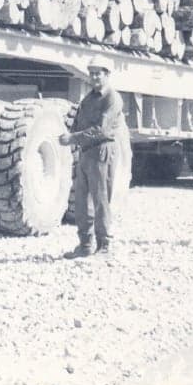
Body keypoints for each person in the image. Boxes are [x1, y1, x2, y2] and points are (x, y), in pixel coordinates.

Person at [59, 56, 127, 258]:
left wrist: (73, 138)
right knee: (81, 201)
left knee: (100, 200)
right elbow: (79, 122)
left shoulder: (112, 98)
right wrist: (70, 134)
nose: (94, 77)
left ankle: (104, 245)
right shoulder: (89, 99)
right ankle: (85, 244)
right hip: (86, 153)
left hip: (102, 152)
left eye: (99, 73)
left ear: (107, 75)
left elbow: (102, 130)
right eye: (92, 73)